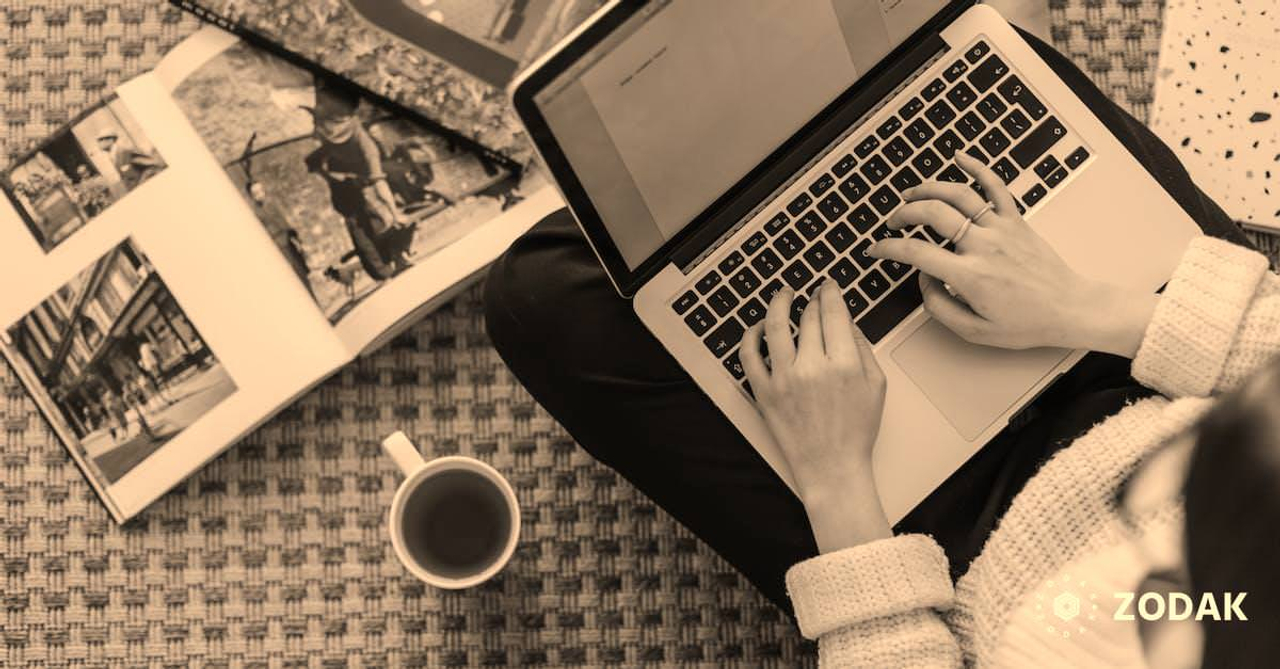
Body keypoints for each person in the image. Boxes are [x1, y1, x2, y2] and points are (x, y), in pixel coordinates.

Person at [483, 26, 1280, 667]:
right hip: (1168, 373)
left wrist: (836, 484)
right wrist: (1087, 307)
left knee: (543, 289)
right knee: (981, 56)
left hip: (950, 556)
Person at [304, 86, 415, 281]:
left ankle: (395, 258)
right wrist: (330, 175)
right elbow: (316, 157)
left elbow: (380, 184)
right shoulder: (326, 125)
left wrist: (394, 212)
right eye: (325, 126)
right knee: (360, 226)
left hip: (363, 185)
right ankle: (384, 269)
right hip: (345, 189)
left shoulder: (366, 146)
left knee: (380, 221)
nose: (328, 132)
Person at [246, 181, 318, 302]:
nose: (260, 195)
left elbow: (285, 223)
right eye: (256, 193)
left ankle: (314, 303)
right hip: (278, 246)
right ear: (251, 196)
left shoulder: (272, 204)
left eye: (261, 191)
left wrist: (297, 240)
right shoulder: (256, 213)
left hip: (288, 242)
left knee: (302, 274)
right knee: (293, 279)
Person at [95, 130, 163, 190]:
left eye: (101, 140)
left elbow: (152, 166)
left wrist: (141, 184)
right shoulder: (113, 156)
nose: (99, 144)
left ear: (111, 139)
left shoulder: (124, 151)